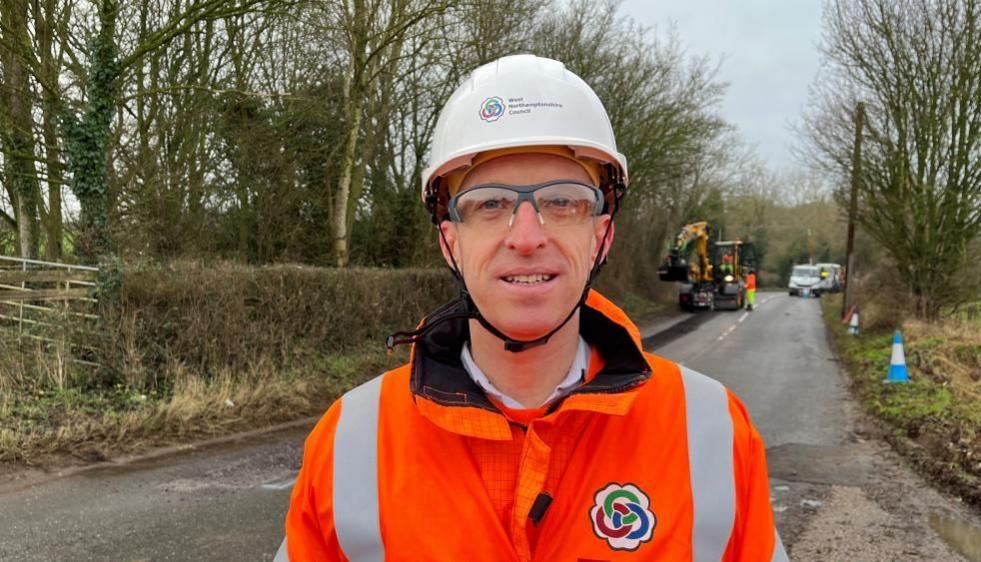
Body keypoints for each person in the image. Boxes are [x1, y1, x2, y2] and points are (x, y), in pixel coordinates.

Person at [275, 55, 787, 562]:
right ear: (450, 241)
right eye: (490, 204)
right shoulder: (350, 443)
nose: (525, 237)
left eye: (563, 202)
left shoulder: (714, 432)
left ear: (602, 236)